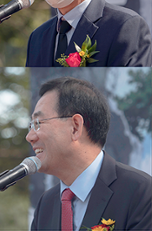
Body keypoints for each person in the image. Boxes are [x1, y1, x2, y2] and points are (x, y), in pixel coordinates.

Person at [27, 77, 151, 230]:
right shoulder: (45, 204)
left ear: (75, 127)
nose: (30, 137)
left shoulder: (141, 192)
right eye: (31, 126)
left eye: (38, 123)